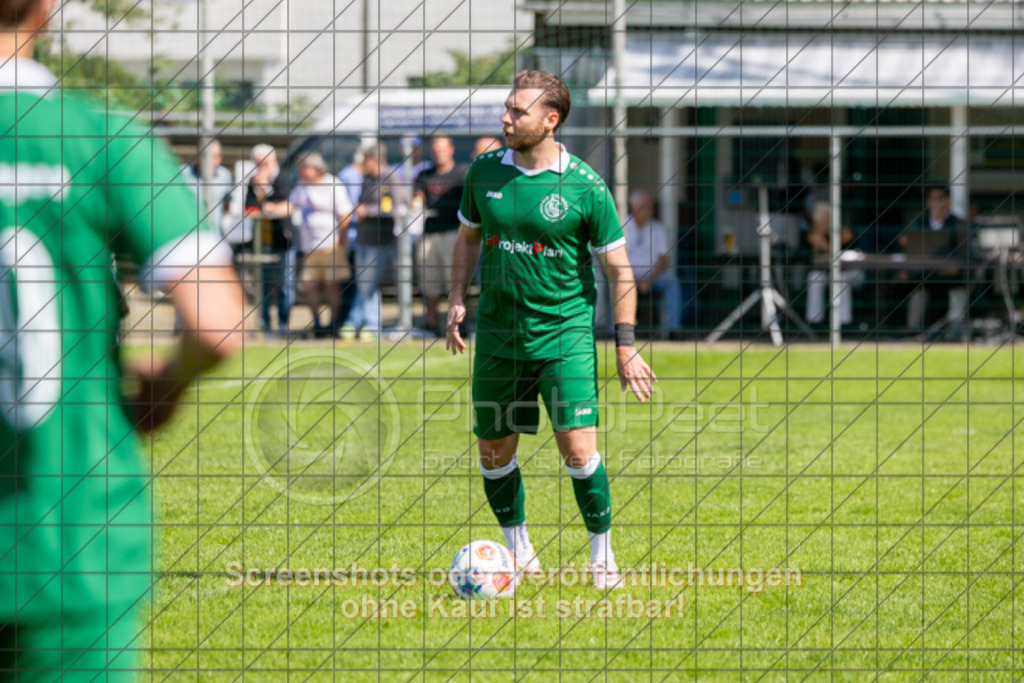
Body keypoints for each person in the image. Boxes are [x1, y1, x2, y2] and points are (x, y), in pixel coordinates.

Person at [0, 0, 246, 677]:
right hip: (68, 545)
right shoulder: (102, 137)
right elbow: (219, 324)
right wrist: (164, 385)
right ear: (45, 10)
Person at [447, 70, 656, 590]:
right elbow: (468, 239)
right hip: (498, 335)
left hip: (563, 334)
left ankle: (602, 558)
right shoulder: (483, 174)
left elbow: (619, 271)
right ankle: (517, 549)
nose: (506, 118)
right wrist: (455, 299)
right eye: (507, 107)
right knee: (494, 451)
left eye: (518, 111)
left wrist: (625, 347)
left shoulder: (585, 188)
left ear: (550, 120)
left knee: (579, 449)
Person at [285, 152, 354, 336]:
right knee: (309, 285)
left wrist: (341, 239)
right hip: (309, 246)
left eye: (304, 168)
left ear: (315, 169)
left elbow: (345, 214)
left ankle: (333, 324)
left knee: (332, 286)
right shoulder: (302, 186)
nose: (301, 172)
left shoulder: (333, 184)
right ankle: (317, 323)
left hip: (331, 244)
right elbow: (289, 206)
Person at [340, 142, 400, 340]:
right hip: (363, 239)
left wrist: (370, 211)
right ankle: (361, 323)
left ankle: (370, 324)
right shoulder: (367, 178)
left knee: (369, 284)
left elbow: (397, 209)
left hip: (381, 241)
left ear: (376, 160)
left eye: (366, 161)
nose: (363, 165)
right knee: (364, 283)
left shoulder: (392, 178)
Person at [413, 136, 468, 335]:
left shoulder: (462, 173)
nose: (438, 153)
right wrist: (416, 202)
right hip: (429, 234)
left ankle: (459, 325)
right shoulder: (424, 174)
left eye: (442, 149)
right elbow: (417, 198)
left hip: (453, 233)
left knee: (456, 281)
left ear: (451, 149)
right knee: (429, 282)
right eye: (435, 149)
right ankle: (432, 324)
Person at [900, 186, 971, 335]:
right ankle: (913, 331)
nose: (937, 203)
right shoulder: (919, 223)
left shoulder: (958, 224)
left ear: (948, 201)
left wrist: (955, 266)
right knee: (917, 290)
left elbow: (966, 253)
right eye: (933, 199)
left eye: (940, 199)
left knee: (958, 290)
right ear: (928, 202)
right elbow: (909, 247)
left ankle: (955, 330)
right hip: (925, 274)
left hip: (950, 275)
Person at [245, 143, 296, 334]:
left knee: (285, 284)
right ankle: (264, 322)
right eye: (257, 164)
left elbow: (286, 206)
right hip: (263, 241)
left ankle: (284, 323)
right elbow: (250, 209)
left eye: (264, 163)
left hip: (284, 240)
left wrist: (265, 192)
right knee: (263, 285)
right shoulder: (253, 182)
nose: (261, 168)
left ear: (273, 161)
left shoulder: (284, 178)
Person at [621, 189, 686, 338]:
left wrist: (648, 279)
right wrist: (634, 279)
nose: (649, 210)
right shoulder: (622, 225)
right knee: (617, 283)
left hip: (652, 276)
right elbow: (617, 257)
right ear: (634, 207)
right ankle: (617, 332)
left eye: (650, 206)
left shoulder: (657, 228)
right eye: (645, 206)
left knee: (671, 282)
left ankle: (673, 330)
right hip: (627, 275)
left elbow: (664, 259)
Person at [804, 201, 860, 325]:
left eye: (822, 219)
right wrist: (818, 239)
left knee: (840, 279)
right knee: (814, 278)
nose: (818, 223)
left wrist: (823, 243)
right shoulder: (813, 235)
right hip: (826, 272)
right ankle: (814, 321)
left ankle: (843, 323)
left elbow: (835, 254)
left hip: (851, 272)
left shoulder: (844, 232)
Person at [181, 137, 235, 232]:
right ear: (198, 157)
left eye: (217, 156)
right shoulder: (182, 175)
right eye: (209, 157)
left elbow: (228, 205)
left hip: (215, 236)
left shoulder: (225, 176)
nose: (214, 162)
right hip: (188, 236)